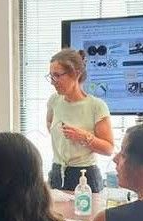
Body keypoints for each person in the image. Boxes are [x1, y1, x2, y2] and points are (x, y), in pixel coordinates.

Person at [45, 48, 114, 192]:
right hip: (57, 172)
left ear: (76, 74)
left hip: (85, 174)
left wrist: (84, 137)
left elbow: (109, 149)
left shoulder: (96, 106)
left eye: (57, 76)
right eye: (51, 76)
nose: (53, 82)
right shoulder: (54, 101)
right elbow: (50, 124)